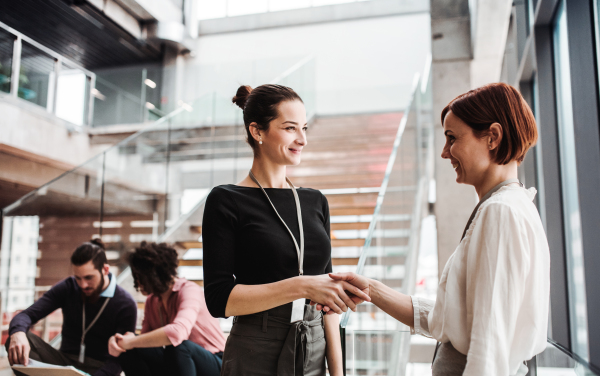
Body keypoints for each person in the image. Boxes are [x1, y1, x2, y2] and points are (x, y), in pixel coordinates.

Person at [317, 83, 550, 376]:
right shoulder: (510, 205)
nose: (444, 152)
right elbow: (452, 320)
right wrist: (372, 290)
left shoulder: (500, 211)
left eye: (452, 138)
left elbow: (489, 348)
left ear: (492, 137)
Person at [202, 84, 370, 376]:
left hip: (314, 342)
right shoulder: (226, 199)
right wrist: (303, 285)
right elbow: (219, 299)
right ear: (257, 131)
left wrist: (338, 373)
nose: (302, 139)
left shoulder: (315, 201)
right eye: (291, 128)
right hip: (255, 345)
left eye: (304, 128)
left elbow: (328, 302)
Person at [5, 239, 137, 376]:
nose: (83, 285)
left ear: (105, 270)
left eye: (88, 278)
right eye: (78, 278)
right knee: (15, 340)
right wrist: (18, 333)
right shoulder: (69, 287)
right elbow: (26, 315)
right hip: (64, 362)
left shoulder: (125, 304)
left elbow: (120, 360)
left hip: (99, 368)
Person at [108, 241, 226, 376]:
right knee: (132, 349)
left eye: (140, 277)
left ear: (153, 275)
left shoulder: (188, 290)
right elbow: (144, 343)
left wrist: (132, 341)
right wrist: (121, 342)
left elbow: (177, 332)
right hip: (180, 364)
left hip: (217, 364)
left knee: (178, 346)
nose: (137, 283)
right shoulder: (152, 301)